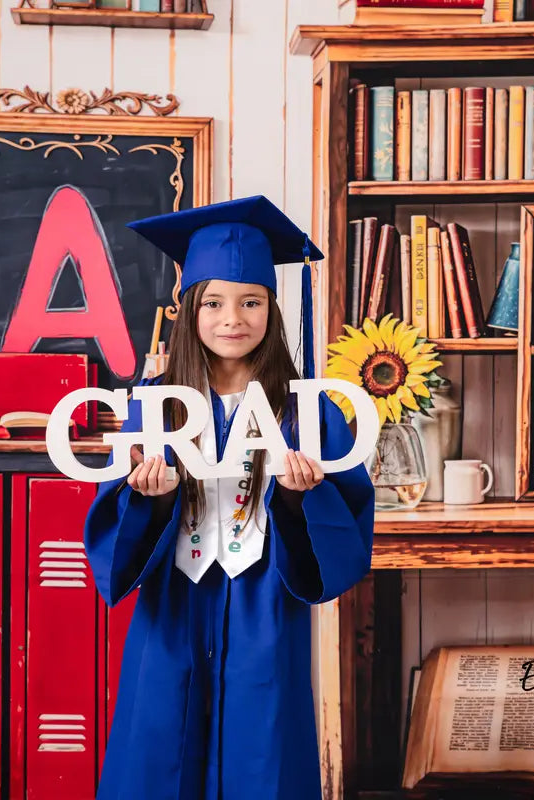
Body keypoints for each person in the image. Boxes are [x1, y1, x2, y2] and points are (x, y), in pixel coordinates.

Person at [83, 195, 375, 800]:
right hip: (174, 600)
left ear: (273, 309)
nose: (231, 318)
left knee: (261, 752)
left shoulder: (311, 410)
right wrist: (150, 498)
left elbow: (346, 523)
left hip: (265, 599)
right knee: (158, 747)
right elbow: (114, 524)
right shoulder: (152, 405)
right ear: (189, 309)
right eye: (213, 302)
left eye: (251, 302)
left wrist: (299, 500)